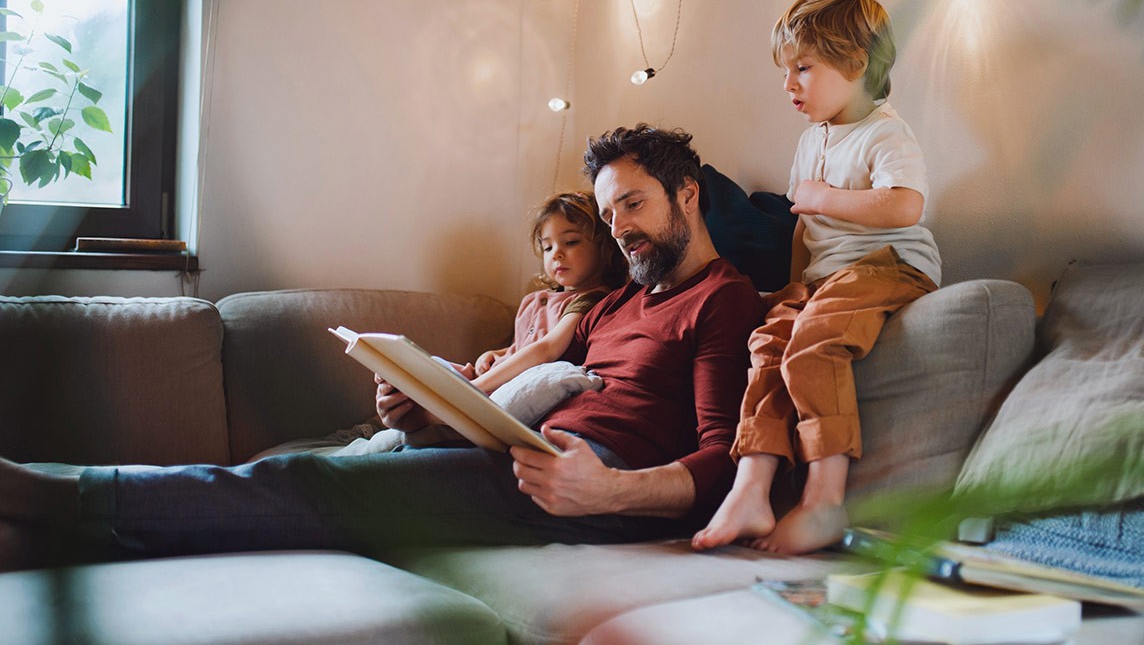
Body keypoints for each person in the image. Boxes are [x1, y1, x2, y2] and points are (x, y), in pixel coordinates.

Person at [0, 124, 764, 569]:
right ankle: (51, 519)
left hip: (596, 496)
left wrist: (613, 493)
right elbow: (544, 384)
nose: (621, 226)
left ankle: (53, 496)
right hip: (526, 458)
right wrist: (422, 412)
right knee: (341, 469)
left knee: (317, 488)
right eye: (611, 210)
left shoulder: (724, 299)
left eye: (634, 203)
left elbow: (721, 454)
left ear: (687, 194)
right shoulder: (621, 297)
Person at [692, 0, 942, 555]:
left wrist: (824, 196)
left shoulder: (885, 133)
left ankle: (825, 500)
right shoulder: (811, 141)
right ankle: (751, 488)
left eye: (804, 68)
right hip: (829, 275)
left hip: (891, 264)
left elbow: (904, 205)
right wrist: (790, 285)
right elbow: (804, 229)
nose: (790, 84)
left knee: (814, 344)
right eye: (787, 71)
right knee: (769, 342)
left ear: (857, 63)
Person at [347, 191, 625, 455]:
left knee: (443, 387)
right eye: (548, 246)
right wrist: (498, 354)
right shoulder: (537, 300)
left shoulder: (590, 299)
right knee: (423, 366)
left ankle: (423, 414)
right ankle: (392, 406)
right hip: (496, 378)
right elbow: (522, 346)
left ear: (604, 247)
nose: (557, 254)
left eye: (571, 242)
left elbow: (547, 348)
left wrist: (474, 390)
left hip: (505, 388)